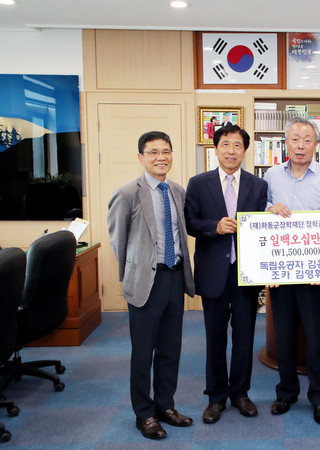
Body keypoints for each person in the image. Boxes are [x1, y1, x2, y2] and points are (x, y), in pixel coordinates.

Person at [107, 131, 195, 440]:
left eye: (166, 151)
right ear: (142, 157)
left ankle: (165, 406)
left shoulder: (177, 191)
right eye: (154, 151)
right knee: (143, 353)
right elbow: (118, 240)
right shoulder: (128, 192)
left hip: (174, 276)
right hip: (146, 280)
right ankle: (143, 414)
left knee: (171, 349)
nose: (161, 157)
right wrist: (132, 274)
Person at [184, 125, 267, 424]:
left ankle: (240, 393)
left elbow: (262, 228)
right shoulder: (198, 183)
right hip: (213, 271)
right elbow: (190, 223)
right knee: (215, 337)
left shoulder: (258, 186)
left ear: (245, 150)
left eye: (237, 145)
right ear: (215, 148)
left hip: (246, 273)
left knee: (244, 337)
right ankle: (216, 397)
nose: (231, 151)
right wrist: (214, 227)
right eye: (225, 145)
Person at [264, 116, 320, 424]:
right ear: (286, 142)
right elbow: (261, 216)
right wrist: (269, 209)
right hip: (280, 273)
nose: (300, 145)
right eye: (295, 139)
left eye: (307, 140)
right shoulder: (270, 175)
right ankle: (286, 392)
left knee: (317, 337)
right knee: (283, 337)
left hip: (314, 275)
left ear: (316, 144)